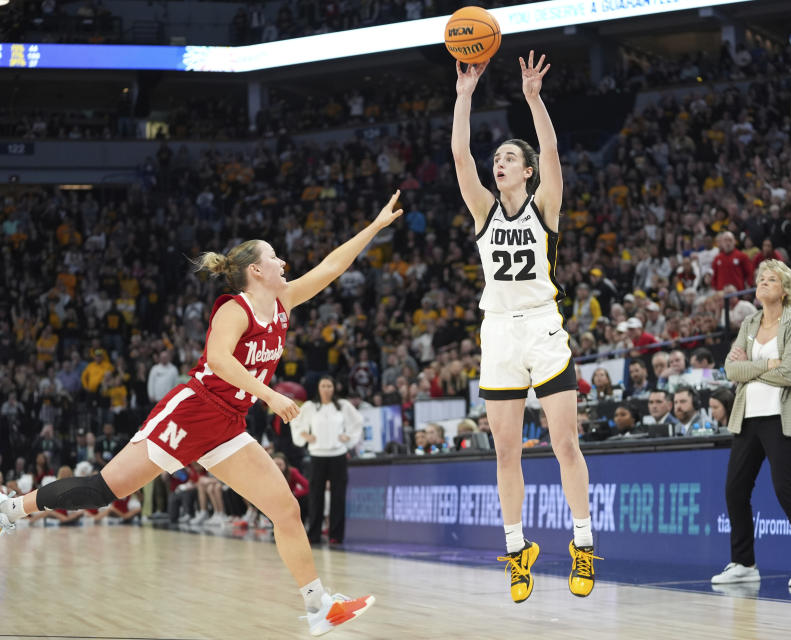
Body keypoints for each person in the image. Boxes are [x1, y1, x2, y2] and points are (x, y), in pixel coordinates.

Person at [0, 191, 405, 636]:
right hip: (190, 413)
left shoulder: (282, 303)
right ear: (256, 270)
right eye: (274, 256)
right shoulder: (236, 307)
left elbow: (331, 267)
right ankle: (13, 508)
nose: (283, 262)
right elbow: (219, 361)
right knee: (102, 491)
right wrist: (268, 395)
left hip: (227, 427)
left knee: (286, 508)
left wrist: (375, 227)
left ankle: (318, 606)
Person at [452, 51, 598, 603]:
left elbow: (555, 151)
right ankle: (518, 552)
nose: (499, 163)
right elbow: (461, 155)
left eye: (510, 158)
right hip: (498, 335)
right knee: (505, 452)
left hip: (542, 327)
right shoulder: (484, 212)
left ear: (528, 170)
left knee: (565, 444)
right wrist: (465, 96)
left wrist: (534, 98)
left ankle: (582, 542)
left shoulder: (546, 207)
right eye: (499, 159)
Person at [711, 259, 791, 588]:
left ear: (785, 289)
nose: (763, 283)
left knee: (786, 490)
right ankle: (744, 563)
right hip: (748, 417)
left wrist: (751, 365)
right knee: (735, 490)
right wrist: (766, 363)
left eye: (771, 279)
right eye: (761, 279)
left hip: (783, 417)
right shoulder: (749, 323)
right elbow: (730, 370)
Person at [290, 375, 364, 545]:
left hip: (338, 455)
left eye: (329, 386)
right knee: (316, 496)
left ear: (334, 388)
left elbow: (358, 422)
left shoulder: (343, 406)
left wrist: (349, 437)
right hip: (317, 455)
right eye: (323, 386)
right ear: (318, 388)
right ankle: (314, 533)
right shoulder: (310, 407)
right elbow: (296, 423)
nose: (326, 389)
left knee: (338, 496)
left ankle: (336, 535)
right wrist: (304, 435)